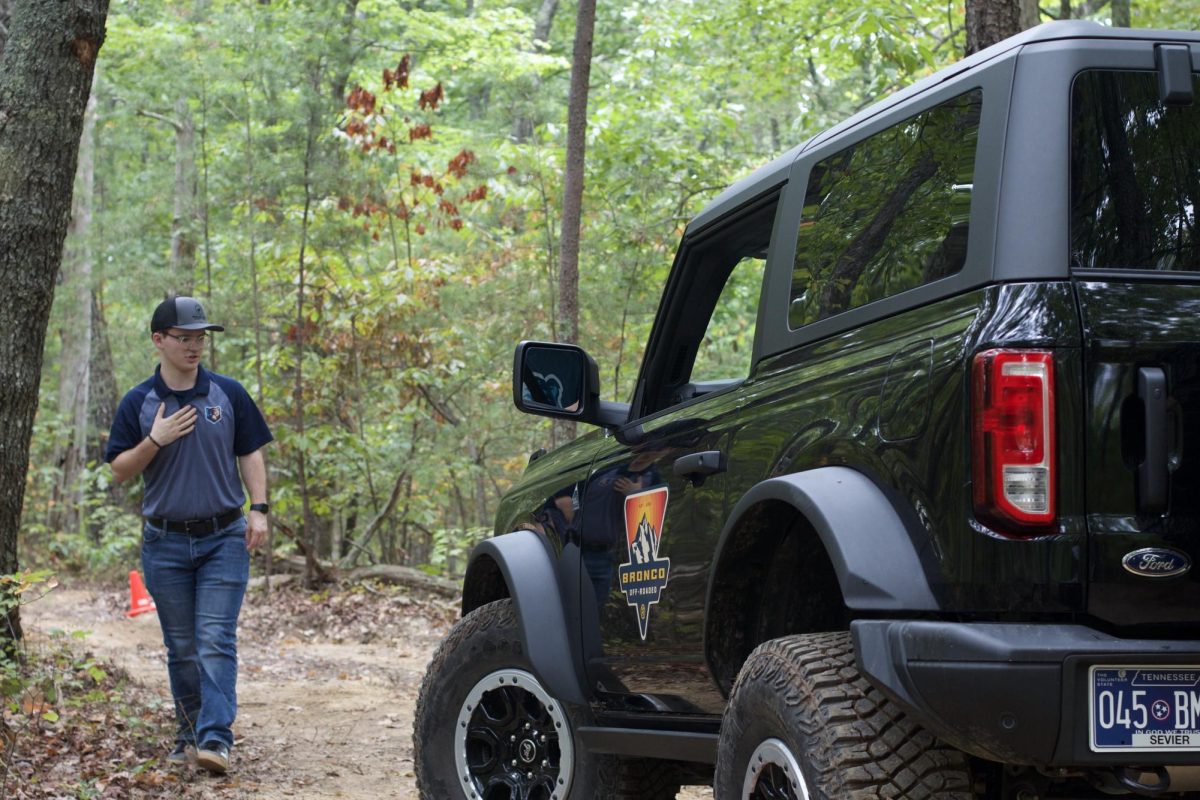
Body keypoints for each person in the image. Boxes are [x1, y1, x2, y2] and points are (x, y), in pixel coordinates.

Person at [105, 296, 272, 775]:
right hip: (165, 542)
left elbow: (252, 451)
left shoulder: (228, 393)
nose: (195, 346)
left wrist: (258, 510)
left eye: (201, 337)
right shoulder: (139, 402)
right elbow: (118, 469)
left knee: (215, 639)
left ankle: (216, 739)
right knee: (181, 646)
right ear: (159, 340)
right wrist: (155, 439)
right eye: (185, 338)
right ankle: (188, 733)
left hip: (224, 537)